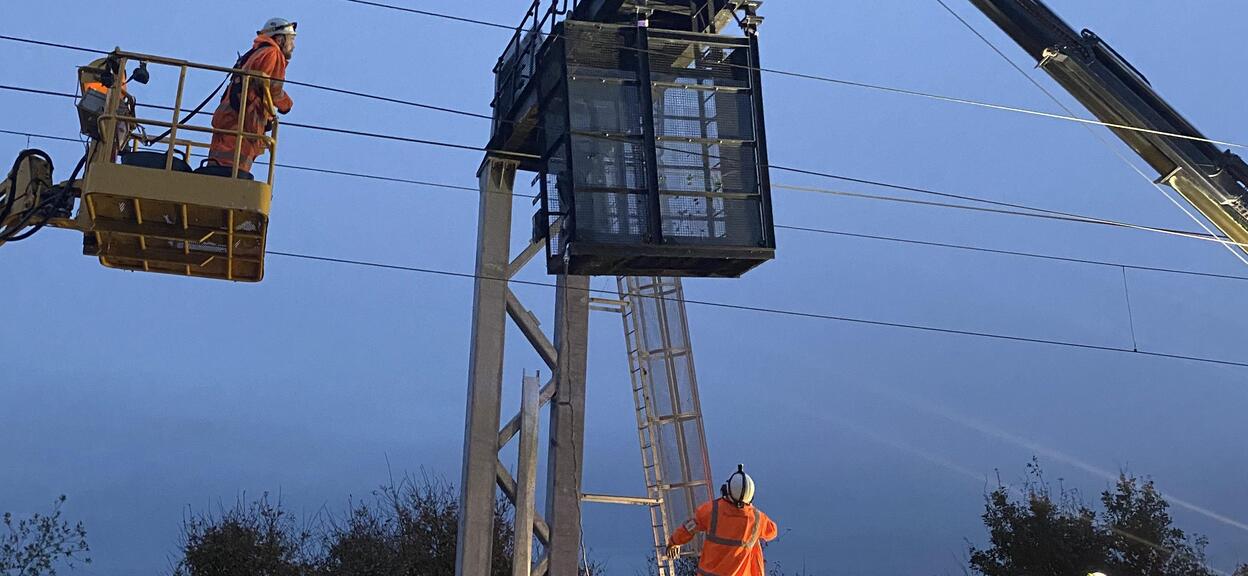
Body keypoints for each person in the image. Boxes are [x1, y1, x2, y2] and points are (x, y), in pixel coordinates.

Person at [206, 17, 296, 175]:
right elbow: (271, 88)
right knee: (232, 172)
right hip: (243, 121)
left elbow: (257, 86)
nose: (293, 46)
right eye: (291, 40)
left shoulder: (257, 52)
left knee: (217, 165)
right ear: (280, 39)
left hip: (231, 116)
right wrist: (286, 104)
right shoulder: (272, 53)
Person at [666, 464, 778, 576]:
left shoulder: (711, 510)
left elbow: (689, 527)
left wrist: (674, 542)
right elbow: (772, 532)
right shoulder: (757, 519)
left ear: (727, 489)